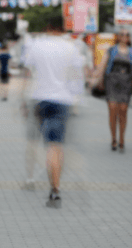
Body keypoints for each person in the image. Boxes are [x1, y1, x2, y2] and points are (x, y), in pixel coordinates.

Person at [21, 32, 84, 205]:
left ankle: (32, 177)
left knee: (39, 142)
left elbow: (28, 73)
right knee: (56, 145)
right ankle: (55, 189)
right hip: (62, 100)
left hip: (39, 98)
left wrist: (23, 100)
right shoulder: (72, 47)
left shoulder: (36, 45)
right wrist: (76, 99)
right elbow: (77, 77)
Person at [95, 29, 132, 153]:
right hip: (112, 82)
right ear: (118, 37)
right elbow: (103, 65)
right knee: (112, 110)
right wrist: (98, 79)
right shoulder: (111, 50)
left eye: (127, 34)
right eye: (122, 34)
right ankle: (114, 138)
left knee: (123, 111)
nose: (125, 36)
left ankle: (122, 139)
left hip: (126, 83)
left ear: (129, 38)